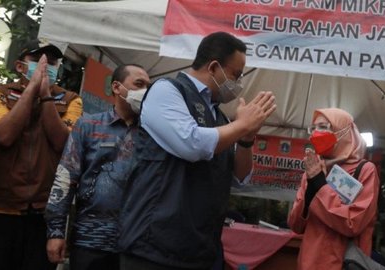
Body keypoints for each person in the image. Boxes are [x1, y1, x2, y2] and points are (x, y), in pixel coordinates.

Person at [117, 31, 276, 270]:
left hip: (200, 250)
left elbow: (240, 178)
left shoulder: (220, 116)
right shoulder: (167, 91)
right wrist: (241, 124)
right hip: (155, 248)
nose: (239, 83)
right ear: (213, 67)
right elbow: (191, 144)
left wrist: (246, 138)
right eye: (236, 74)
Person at [45, 64, 150, 270]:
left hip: (136, 244)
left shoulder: (152, 133)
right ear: (117, 88)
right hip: (89, 240)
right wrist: (55, 232)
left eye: (148, 86)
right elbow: (66, 179)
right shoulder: (88, 125)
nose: (145, 92)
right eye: (139, 84)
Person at [0, 38, 83, 270]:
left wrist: (46, 96)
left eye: (51, 63)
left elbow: (63, 142)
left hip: (44, 211)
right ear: (21, 66)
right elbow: (5, 135)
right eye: (38, 61)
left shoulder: (71, 100)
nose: (45, 67)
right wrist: (31, 90)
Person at [288, 108, 380, 270]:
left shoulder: (365, 170)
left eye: (323, 127)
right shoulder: (313, 169)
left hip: (343, 264)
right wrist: (310, 190)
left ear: (344, 132)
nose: (316, 133)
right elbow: (296, 225)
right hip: (308, 263)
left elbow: (352, 224)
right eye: (314, 128)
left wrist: (321, 186)